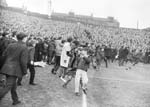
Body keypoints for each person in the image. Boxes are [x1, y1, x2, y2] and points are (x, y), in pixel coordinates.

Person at [0, 33, 28, 105]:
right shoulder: (24, 47)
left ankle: (15, 100)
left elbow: (4, 55)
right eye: (26, 38)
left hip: (7, 68)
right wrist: (25, 72)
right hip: (14, 70)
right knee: (7, 87)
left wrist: (3, 66)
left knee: (13, 86)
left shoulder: (11, 45)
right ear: (24, 38)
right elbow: (23, 61)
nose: (27, 39)